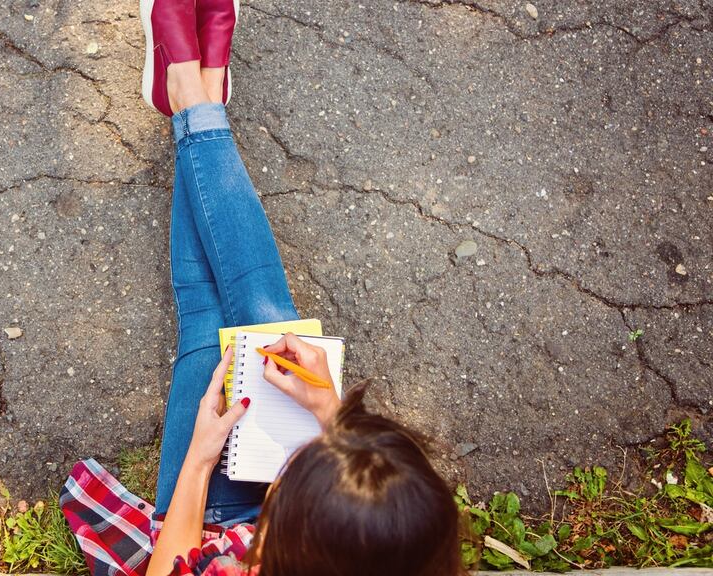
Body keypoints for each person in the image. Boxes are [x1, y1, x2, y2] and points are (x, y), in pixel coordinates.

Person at [60, 1, 465, 575]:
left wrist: (200, 460)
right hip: (311, 521)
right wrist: (328, 411)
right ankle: (193, 94)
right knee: (255, 321)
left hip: (206, 527)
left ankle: (194, 92)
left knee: (214, 316)